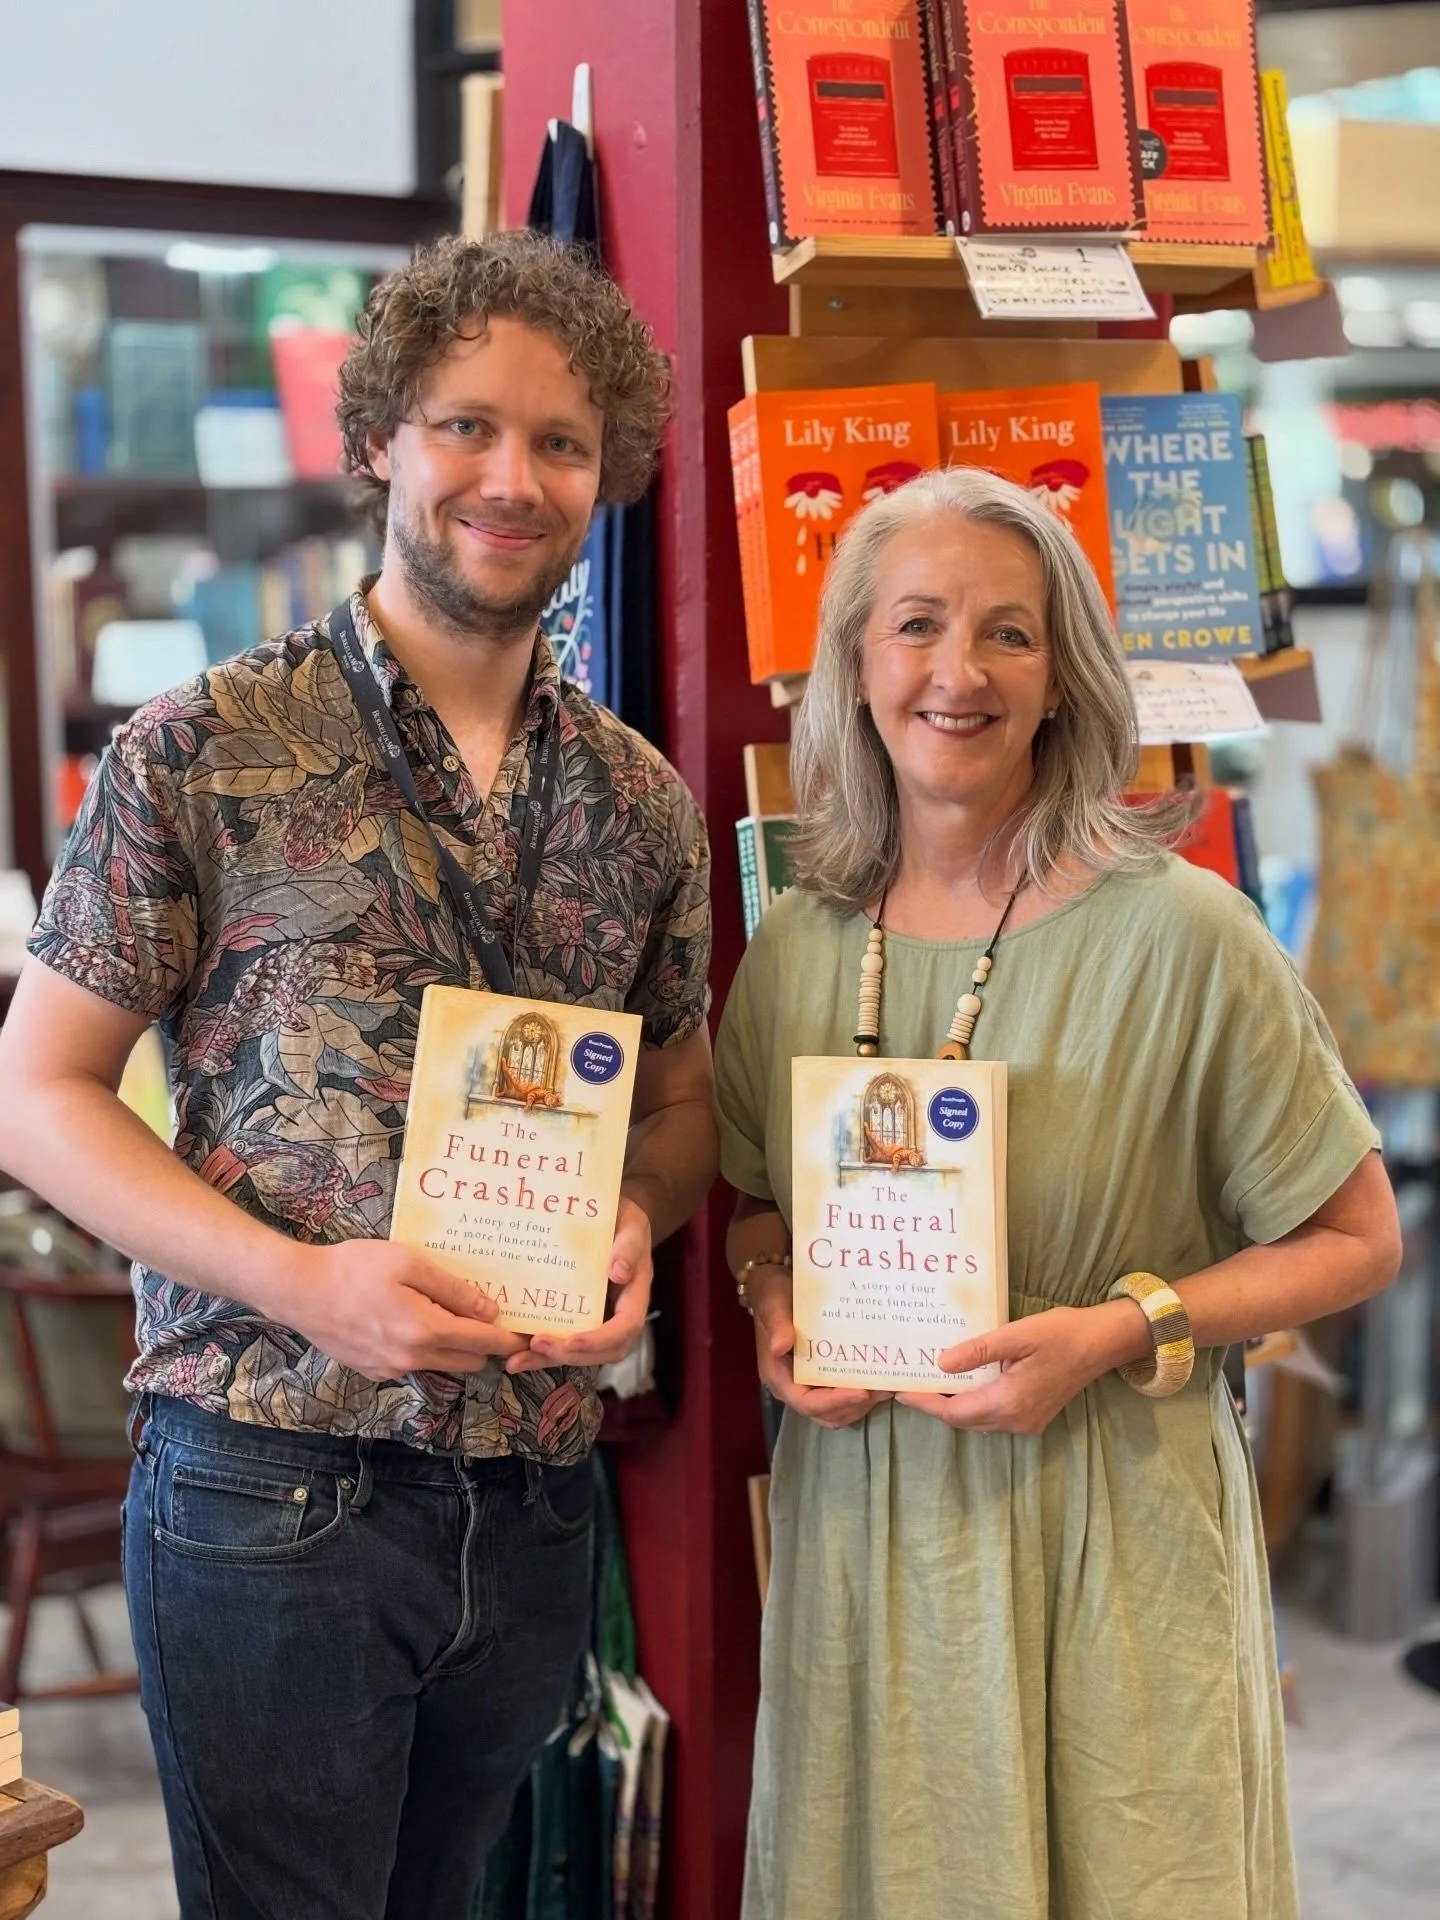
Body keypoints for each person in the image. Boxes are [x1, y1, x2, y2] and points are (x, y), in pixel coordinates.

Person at [0, 230, 716, 1920]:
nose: (513, 478)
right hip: (269, 1491)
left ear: (606, 473)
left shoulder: (639, 801)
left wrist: (636, 1214)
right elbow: (38, 1096)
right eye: (469, 425)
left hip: (532, 1500)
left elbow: (683, 1104)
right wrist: (304, 1283)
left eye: (561, 442)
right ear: (383, 433)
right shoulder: (202, 747)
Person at [714, 466, 1400, 1920]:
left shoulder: (1189, 936)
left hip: (1115, 1526)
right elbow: (758, 1206)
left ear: (1063, 677)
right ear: (856, 662)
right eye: (917, 624)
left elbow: (1356, 1239)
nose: (957, 672)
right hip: (870, 1533)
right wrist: (774, 1301)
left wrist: (1116, 1329)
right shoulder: (800, 947)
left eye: (1008, 633)